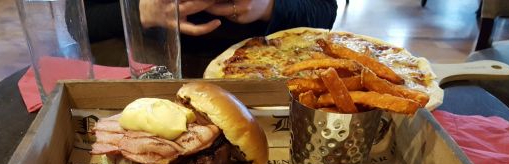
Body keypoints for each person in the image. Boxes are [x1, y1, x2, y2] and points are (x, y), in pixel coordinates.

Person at [84, 0, 339, 76]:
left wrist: (269, 7)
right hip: (145, 62)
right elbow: (82, 22)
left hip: (259, 64)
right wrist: (140, 11)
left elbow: (325, 11)